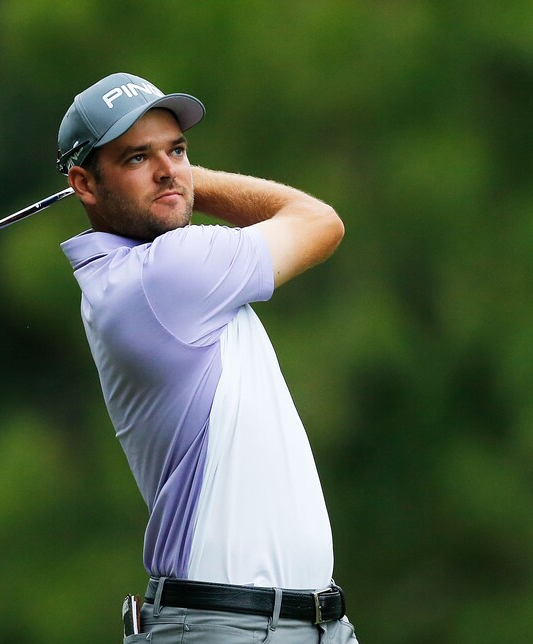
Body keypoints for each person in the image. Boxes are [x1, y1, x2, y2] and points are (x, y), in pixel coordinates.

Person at [57, 72, 359, 643]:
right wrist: (195, 181)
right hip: (233, 628)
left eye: (177, 150)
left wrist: (169, 181)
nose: (168, 169)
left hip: (309, 624)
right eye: (137, 158)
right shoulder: (167, 274)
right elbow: (321, 222)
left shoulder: (137, 278)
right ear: (85, 184)